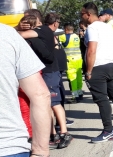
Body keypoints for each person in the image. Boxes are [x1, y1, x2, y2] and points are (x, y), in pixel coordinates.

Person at [18, 12, 73, 149]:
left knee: (54, 103)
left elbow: (19, 35)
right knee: (46, 105)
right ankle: (53, 134)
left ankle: (64, 133)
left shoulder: (41, 30)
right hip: (44, 71)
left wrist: (18, 27)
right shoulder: (40, 32)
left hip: (50, 71)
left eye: (27, 18)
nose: (25, 21)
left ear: (36, 19)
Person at [0, 23, 52, 157]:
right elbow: (40, 94)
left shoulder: (38, 32)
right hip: (9, 145)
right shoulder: (7, 34)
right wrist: (40, 151)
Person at [81, 2, 113, 143]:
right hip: (111, 64)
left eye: (81, 14)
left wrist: (88, 71)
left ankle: (108, 130)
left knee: (101, 99)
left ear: (88, 14)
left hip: (98, 66)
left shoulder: (92, 28)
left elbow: (92, 50)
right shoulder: (107, 27)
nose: (80, 16)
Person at [59, 23, 83, 103]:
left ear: (66, 29)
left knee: (72, 79)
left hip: (70, 61)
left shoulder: (64, 36)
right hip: (79, 59)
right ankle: (80, 94)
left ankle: (75, 97)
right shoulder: (76, 36)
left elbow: (55, 39)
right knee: (79, 77)